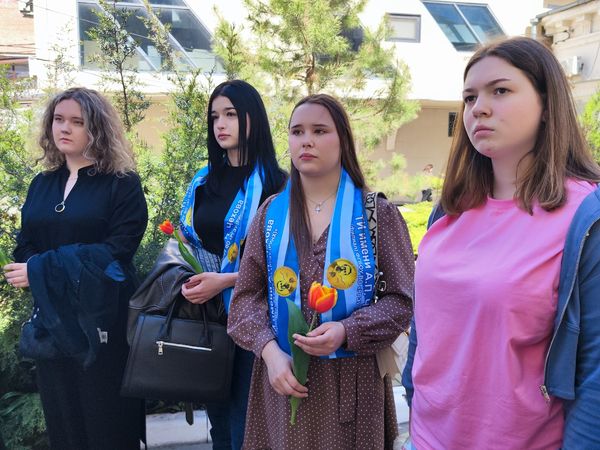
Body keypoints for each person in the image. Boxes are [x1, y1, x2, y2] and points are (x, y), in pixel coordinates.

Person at [402, 37, 600, 449]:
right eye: (470, 97)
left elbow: (595, 368)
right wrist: (412, 392)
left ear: (547, 104)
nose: (479, 108)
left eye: (501, 91)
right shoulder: (449, 210)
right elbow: (426, 325)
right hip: (425, 438)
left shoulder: (586, 219)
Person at [227, 93, 414, 449]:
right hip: (282, 379)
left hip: (352, 384)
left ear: (343, 139)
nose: (306, 140)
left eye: (319, 130)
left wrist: (347, 330)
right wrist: (270, 353)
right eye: (297, 131)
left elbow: (402, 301)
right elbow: (245, 300)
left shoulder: (377, 215)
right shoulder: (270, 215)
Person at [2, 87, 148, 449]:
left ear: (97, 129)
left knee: (108, 426)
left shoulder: (122, 184)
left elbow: (116, 252)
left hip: (104, 324)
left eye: (77, 122)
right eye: (58, 119)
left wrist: (41, 270)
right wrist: (37, 268)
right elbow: (25, 244)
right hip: (53, 322)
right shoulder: (42, 184)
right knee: (64, 424)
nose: (64, 128)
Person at [178, 79, 287, 450]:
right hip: (208, 318)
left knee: (246, 425)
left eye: (230, 115)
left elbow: (288, 264)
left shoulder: (279, 185)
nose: (220, 124)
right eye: (214, 117)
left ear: (252, 119)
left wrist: (225, 281)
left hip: (255, 318)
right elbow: (188, 240)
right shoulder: (203, 181)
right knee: (219, 426)